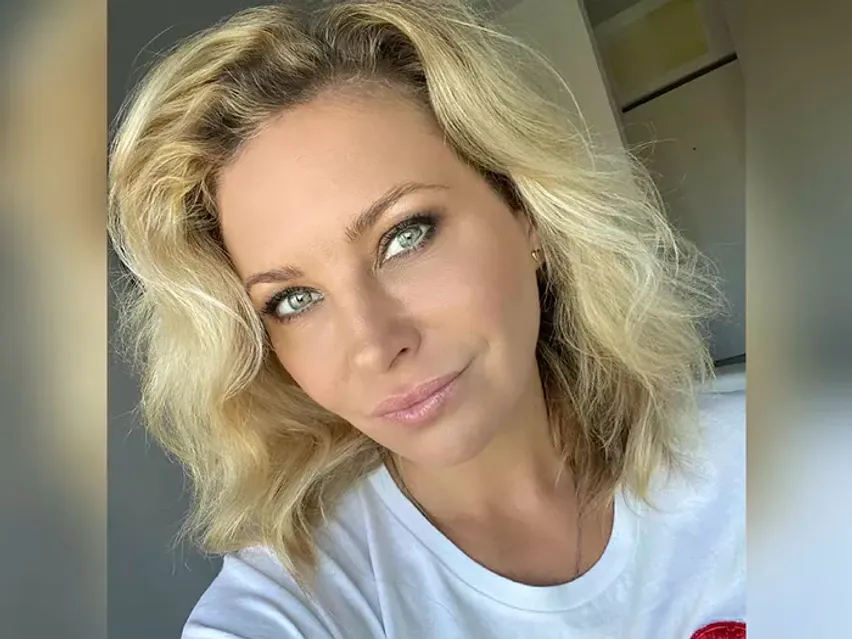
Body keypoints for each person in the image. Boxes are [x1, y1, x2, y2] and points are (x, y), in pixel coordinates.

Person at [108, 1, 745, 637]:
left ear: (524, 210)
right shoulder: (297, 604)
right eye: (294, 300)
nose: (374, 344)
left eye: (404, 237)